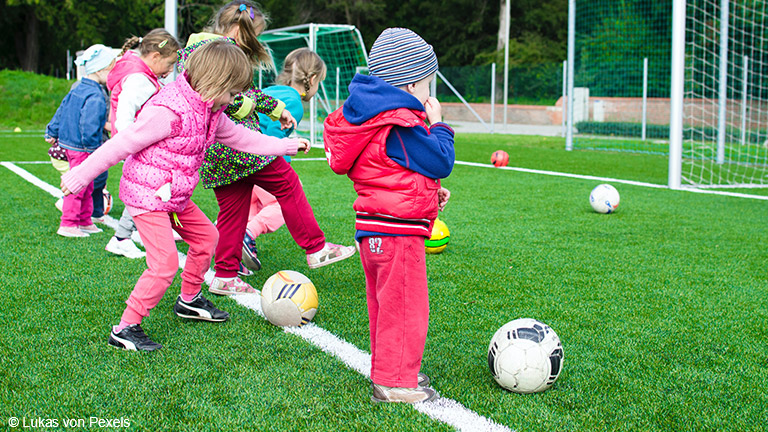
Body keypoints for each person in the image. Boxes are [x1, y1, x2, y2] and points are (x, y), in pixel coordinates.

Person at [60, 40, 310, 351]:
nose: (236, 100)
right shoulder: (168, 111)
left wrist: (285, 146)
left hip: (174, 196)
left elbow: (241, 138)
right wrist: (80, 176)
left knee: (208, 238)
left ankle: (189, 300)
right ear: (215, 83)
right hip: (147, 196)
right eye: (233, 93)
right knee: (164, 264)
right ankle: (125, 328)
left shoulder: (211, 110)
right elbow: (121, 144)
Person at [178, 0, 354, 297]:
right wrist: (250, 109)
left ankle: (224, 274)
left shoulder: (199, 50)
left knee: (234, 211)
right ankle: (316, 247)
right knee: (287, 183)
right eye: (253, 34)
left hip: (216, 153)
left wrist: (277, 109)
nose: (254, 42)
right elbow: (227, 98)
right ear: (237, 29)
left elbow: (246, 92)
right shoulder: (217, 53)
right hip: (239, 146)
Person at [323, 28, 455, 403]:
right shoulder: (399, 123)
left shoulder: (372, 119)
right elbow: (440, 159)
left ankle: (391, 369)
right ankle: (395, 382)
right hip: (396, 235)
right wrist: (439, 124)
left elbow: (391, 171)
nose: (430, 93)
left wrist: (430, 195)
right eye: (428, 83)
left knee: (386, 306)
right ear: (412, 83)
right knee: (405, 307)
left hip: (375, 229)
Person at [240, 48, 328, 273]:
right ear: (312, 79)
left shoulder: (272, 91)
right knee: (281, 203)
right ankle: (248, 235)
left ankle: (234, 251)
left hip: (239, 156)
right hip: (260, 159)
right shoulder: (294, 103)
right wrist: (283, 159)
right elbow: (272, 133)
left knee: (248, 206)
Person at [103, 29, 181, 259]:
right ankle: (121, 237)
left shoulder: (141, 74)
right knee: (147, 190)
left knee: (153, 188)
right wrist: (132, 143)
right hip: (139, 146)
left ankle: (135, 233)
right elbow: (126, 115)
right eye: (169, 64)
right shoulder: (139, 80)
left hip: (140, 145)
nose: (169, 72)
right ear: (155, 57)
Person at [46, 44, 117, 238]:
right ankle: (68, 223)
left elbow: (61, 108)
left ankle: (84, 221)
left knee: (88, 184)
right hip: (83, 147)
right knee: (78, 185)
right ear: (101, 69)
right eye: (111, 68)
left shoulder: (78, 88)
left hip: (72, 144)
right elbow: (89, 124)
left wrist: (52, 130)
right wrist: (93, 149)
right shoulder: (95, 94)